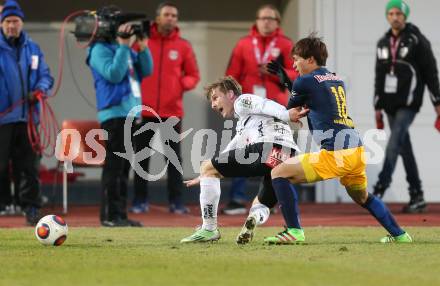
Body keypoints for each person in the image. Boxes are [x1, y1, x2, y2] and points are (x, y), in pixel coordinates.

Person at [266, 34, 412, 244]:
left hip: (337, 153)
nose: (294, 64)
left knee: (278, 172)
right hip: (356, 150)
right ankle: (400, 235)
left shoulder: (304, 81)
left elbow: (291, 109)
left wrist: (287, 83)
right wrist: (292, 84)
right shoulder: (335, 78)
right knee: (362, 197)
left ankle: (294, 231)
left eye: (296, 59)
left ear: (310, 60)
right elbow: (314, 99)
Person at [180, 76, 304, 244]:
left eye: (216, 98)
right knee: (262, 203)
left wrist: (286, 113)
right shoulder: (247, 121)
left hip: (265, 147)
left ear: (231, 94)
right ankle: (255, 217)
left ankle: (208, 229)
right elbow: (234, 146)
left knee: (208, 166)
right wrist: (207, 172)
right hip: (287, 154)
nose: (213, 104)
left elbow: (264, 104)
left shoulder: (242, 100)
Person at [223, 4, 298, 215]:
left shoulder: (285, 44)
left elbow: (295, 76)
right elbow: (231, 76)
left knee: (277, 152)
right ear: (256, 21)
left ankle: (271, 199)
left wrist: (275, 74)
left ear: (277, 22)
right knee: (241, 149)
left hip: (276, 107)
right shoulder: (244, 44)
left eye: (271, 18)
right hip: (250, 110)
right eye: (263, 18)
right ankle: (237, 199)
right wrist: (235, 102)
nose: (266, 22)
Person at [86, 6, 153, 227]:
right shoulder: (98, 49)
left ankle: (120, 214)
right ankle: (109, 215)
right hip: (114, 114)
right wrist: (124, 47)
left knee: (124, 167)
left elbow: (147, 70)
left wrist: (142, 48)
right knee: (114, 166)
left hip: (130, 113)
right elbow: (113, 74)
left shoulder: (123, 48)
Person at [131, 2, 200, 214]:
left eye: (174, 15)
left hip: (172, 111)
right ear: (158, 18)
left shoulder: (183, 46)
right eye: (167, 15)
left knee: (173, 158)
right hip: (144, 109)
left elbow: (193, 75)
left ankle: (176, 202)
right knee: (142, 156)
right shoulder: (142, 42)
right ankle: (140, 201)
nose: (171, 18)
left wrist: (179, 85)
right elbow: (130, 68)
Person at [373, 0, 440, 213]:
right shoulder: (383, 43)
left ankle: (379, 189)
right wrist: (377, 106)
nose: (395, 17)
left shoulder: (417, 40)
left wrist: (437, 102)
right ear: (387, 16)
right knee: (403, 147)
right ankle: (417, 195)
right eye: (391, 13)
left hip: (409, 103)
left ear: (405, 16)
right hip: (389, 105)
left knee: (394, 143)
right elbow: (379, 76)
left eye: (399, 13)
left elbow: (431, 73)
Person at [0, 0, 53, 225]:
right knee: (1, 166)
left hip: (29, 118)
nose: (12, 26)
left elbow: (45, 75)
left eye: (16, 21)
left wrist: (40, 89)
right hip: (3, 119)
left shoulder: (33, 48)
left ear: (22, 23)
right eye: (8, 22)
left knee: (30, 166)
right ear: (2, 24)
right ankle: (3, 203)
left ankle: (31, 207)